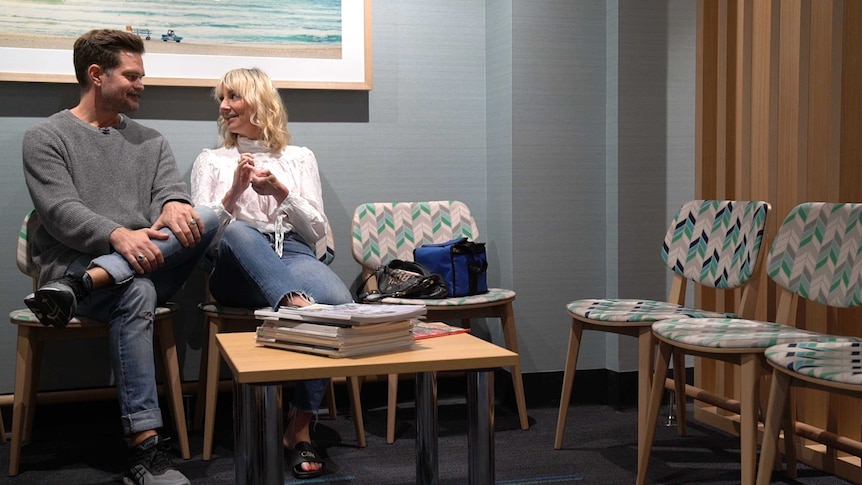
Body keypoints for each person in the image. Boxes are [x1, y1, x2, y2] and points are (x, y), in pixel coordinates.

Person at [22, 29, 219, 485]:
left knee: (210, 215)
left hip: (130, 268)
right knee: (137, 290)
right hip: (75, 262)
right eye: (132, 75)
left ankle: (83, 286)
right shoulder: (46, 137)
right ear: (96, 75)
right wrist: (116, 235)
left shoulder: (152, 141)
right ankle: (146, 452)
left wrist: (175, 203)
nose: (141, 85)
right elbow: (59, 213)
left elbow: (170, 197)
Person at [190, 67, 353, 480]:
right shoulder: (211, 160)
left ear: (259, 102)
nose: (224, 107)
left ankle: (298, 428)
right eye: (221, 99)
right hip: (235, 262)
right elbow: (202, 239)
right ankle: (297, 306)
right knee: (243, 232)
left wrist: (280, 192)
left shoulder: (299, 158)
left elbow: (316, 230)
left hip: (293, 251)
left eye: (233, 97)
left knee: (337, 304)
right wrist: (234, 193)